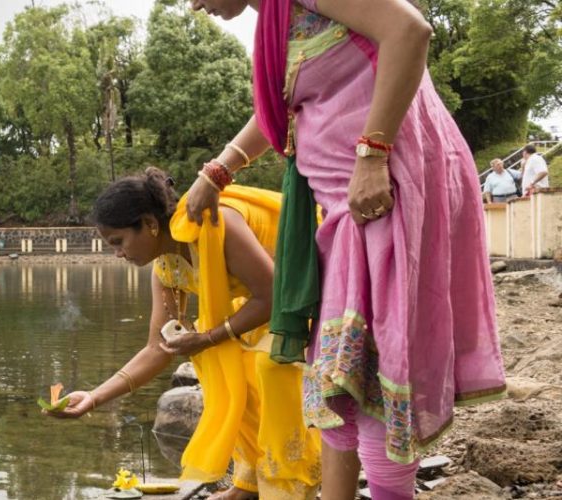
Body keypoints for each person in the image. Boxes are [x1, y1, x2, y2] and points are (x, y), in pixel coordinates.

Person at [181, 0, 507, 498]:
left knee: (375, 377)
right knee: (338, 377)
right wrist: (219, 169)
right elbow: (286, 110)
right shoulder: (277, 24)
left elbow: (408, 31)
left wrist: (373, 155)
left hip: (387, 196)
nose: (194, 4)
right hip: (343, 214)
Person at [46, 168, 321, 500]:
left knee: (267, 366)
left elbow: (274, 296)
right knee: (222, 364)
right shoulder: (166, 268)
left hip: (310, 286)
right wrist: (93, 397)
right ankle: (249, 482)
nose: (118, 253)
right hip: (265, 300)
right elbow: (157, 349)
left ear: (149, 224)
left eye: (118, 242)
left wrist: (207, 338)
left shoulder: (216, 224)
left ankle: (289, 485)